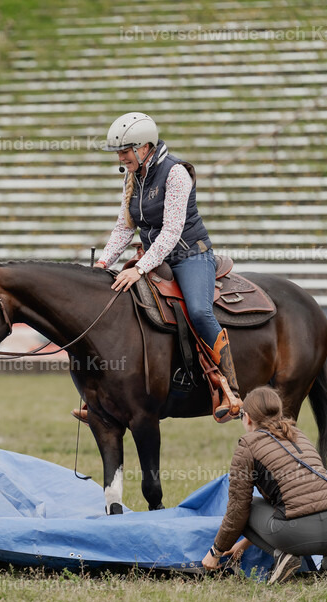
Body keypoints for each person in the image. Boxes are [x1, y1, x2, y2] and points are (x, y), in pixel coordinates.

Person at [75, 112, 242, 423]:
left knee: (199, 312)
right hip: (155, 257)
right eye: (119, 153)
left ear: (146, 147)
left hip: (191, 255)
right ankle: (101, 394)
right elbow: (124, 228)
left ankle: (230, 388)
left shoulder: (176, 173)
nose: (122, 158)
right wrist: (102, 264)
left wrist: (138, 269)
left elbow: (171, 232)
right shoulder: (131, 177)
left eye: (125, 151)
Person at [201, 386, 327, 584]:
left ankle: (284, 555)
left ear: (247, 418)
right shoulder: (298, 434)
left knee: (246, 504)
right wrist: (243, 546)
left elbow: (238, 511)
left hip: (297, 535)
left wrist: (215, 551)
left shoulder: (247, 445)